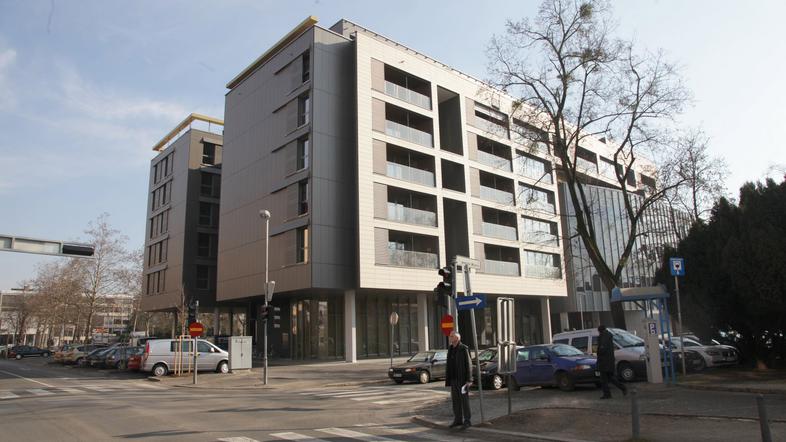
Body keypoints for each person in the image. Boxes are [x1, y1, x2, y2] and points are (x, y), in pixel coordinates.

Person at [445, 330, 473, 429]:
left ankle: (467, 421)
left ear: (457, 338)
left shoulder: (463, 348)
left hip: (462, 380)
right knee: (455, 401)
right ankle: (458, 420)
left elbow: (469, 364)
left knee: (464, 401)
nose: (450, 338)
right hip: (453, 379)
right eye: (450, 336)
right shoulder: (450, 348)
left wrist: (469, 379)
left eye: (451, 336)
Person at [597, 325, 627, 399]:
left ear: (600, 331)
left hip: (604, 361)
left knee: (604, 379)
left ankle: (607, 394)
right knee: (610, 378)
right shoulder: (608, 335)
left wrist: (599, 353)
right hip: (609, 360)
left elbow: (602, 348)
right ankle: (622, 388)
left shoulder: (603, 336)